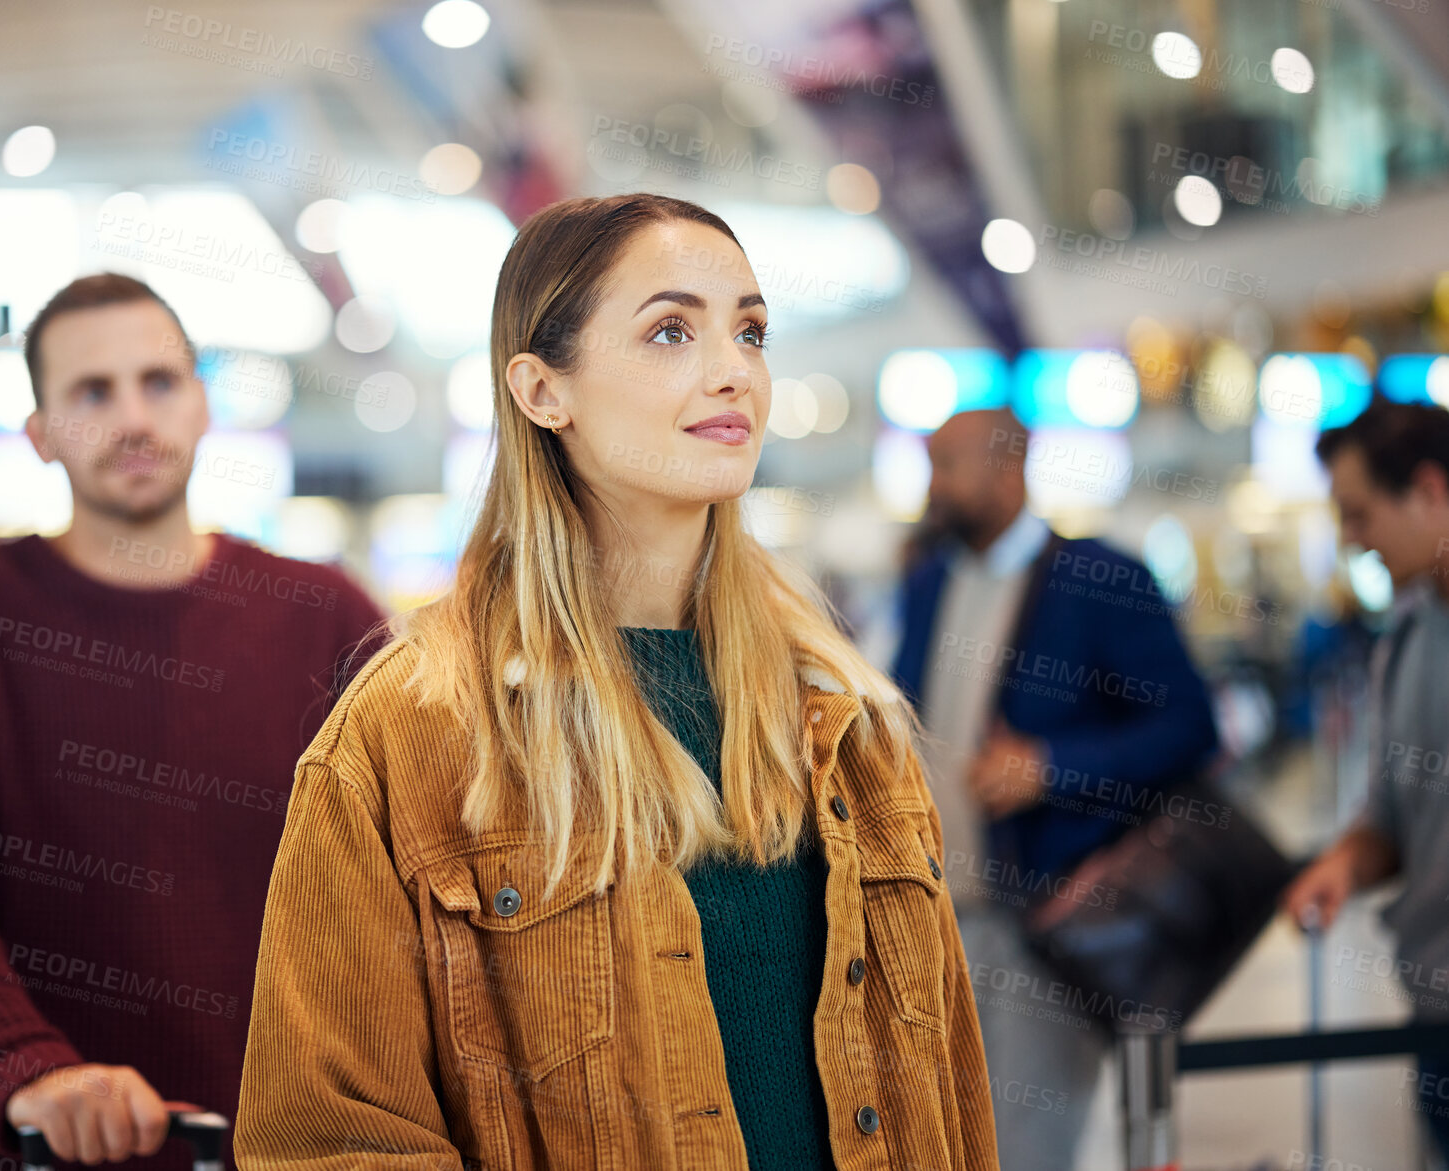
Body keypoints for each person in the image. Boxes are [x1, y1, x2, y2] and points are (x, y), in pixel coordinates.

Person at [235, 194, 998, 1170]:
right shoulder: (410, 732)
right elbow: (328, 1142)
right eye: (670, 330)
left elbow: (951, 1103)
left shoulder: (846, 719)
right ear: (542, 390)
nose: (734, 371)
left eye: (750, 331)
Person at [0, 274, 388, 1171]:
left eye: (160, 382)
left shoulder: (326, 613)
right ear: (41, 433)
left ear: (204, 406)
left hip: (287, 1148)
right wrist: (24, 1073)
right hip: (37, 1148)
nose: (133, 417)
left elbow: (413, 876)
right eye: (93, 393)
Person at [890, 407, 1220, 1171]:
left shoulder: (1100, 579)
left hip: (1047, 916)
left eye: (948, 465)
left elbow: (1189, 725)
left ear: (1011, 468)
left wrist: (1049, 765)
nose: (932, 485)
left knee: (1025, 1145)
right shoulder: (928, 582)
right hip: (938, 911)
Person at [1284, 399, 1449, 1162]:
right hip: (1434, 1010)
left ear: (1429, 491)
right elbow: (1389, 813)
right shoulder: (1408, 637)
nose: (1352, 538)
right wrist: (1346, 861)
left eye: (1360, 513)